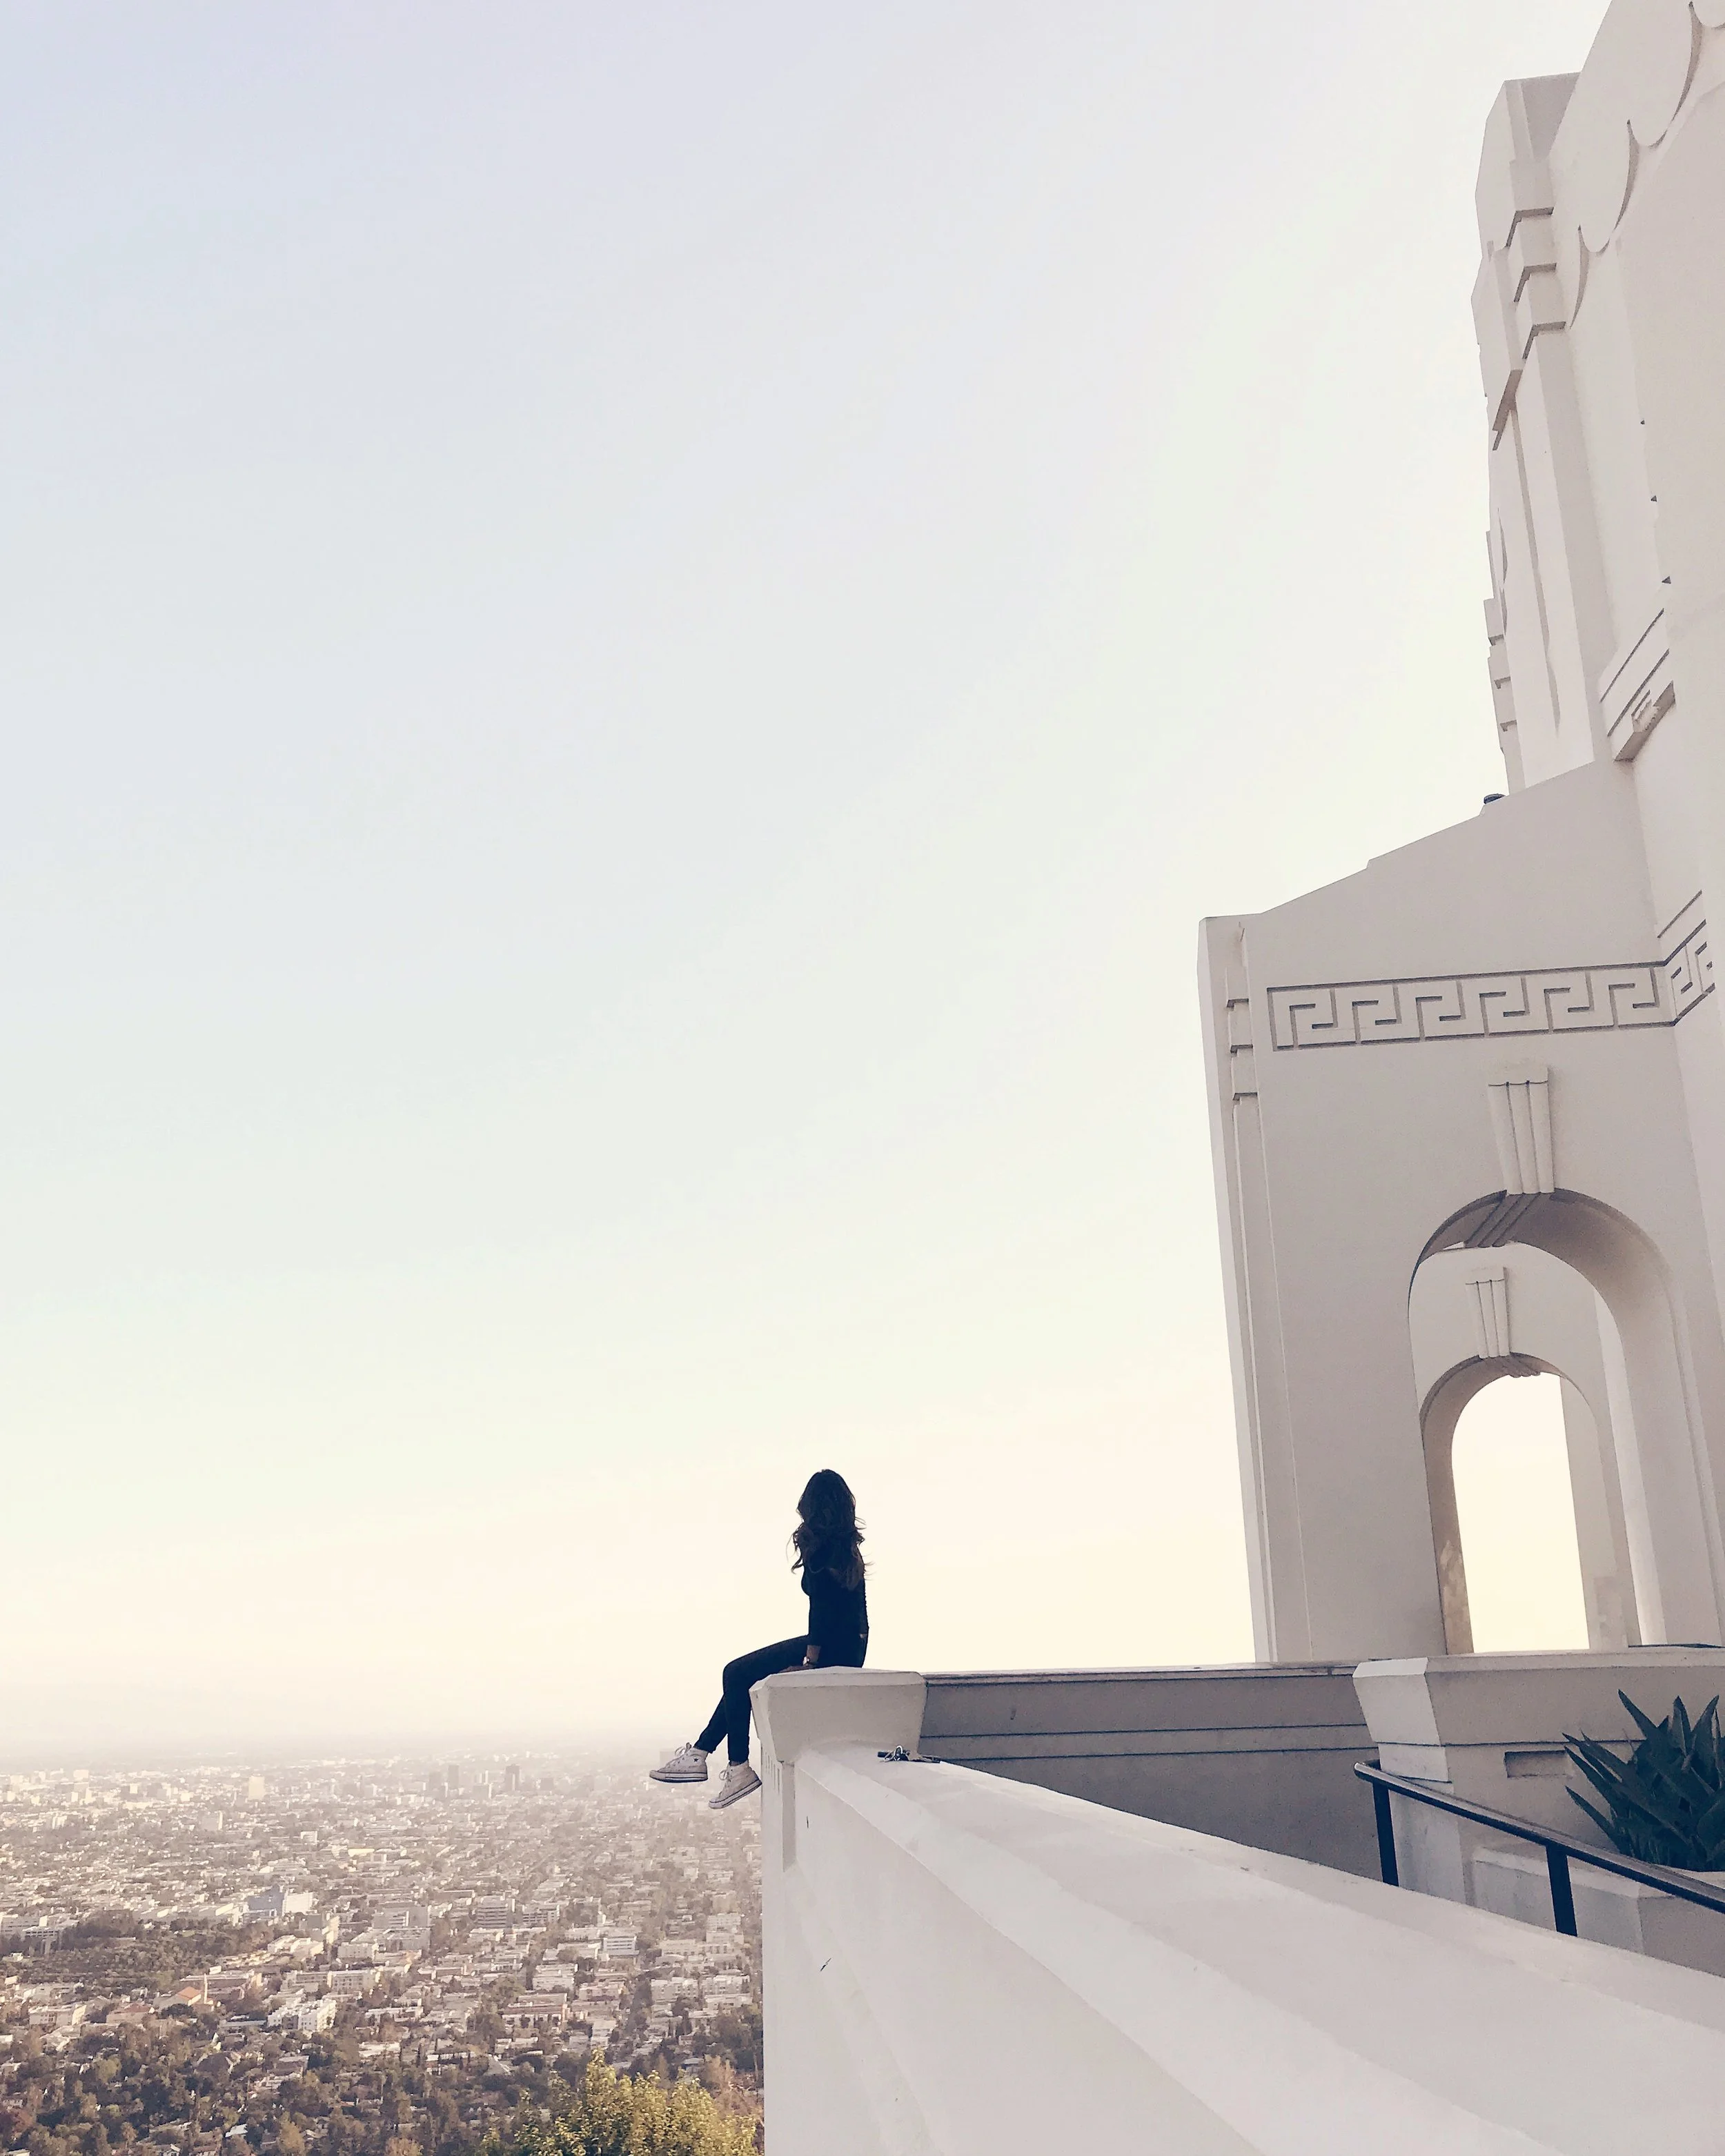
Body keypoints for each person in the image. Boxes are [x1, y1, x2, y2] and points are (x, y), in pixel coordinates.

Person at [649, 1469, 869, 1808]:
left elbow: (821, 1610)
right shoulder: (845, 1548)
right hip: (846, 1647)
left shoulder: (822, 1549)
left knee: (735, 1673)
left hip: (828, 1646)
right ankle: (701, 1752)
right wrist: (853, 1653)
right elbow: (857, 1614)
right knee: (740, 1677)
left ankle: (736, 1766)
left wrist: (811, 1662)